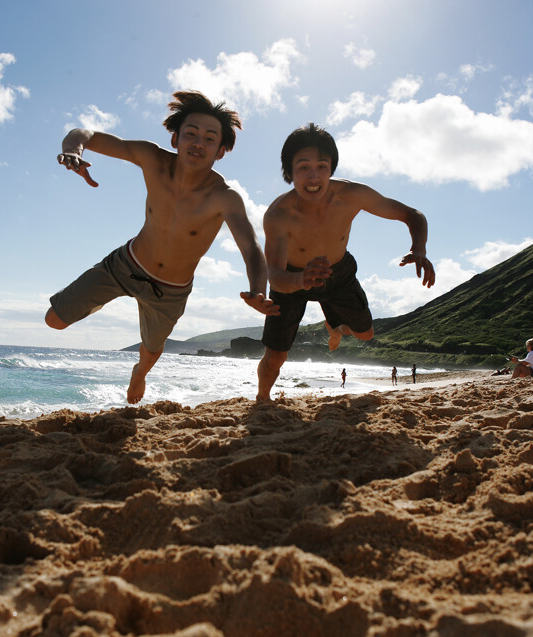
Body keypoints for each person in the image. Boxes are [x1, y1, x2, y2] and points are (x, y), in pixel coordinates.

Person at [46, 90, 278, 403]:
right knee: (53, 320)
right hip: (125, 265)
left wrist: (256, 291)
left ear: (221, 151)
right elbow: (84, 134)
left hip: (170, 291)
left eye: (210, 139)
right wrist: (74, 149)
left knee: (152, 350)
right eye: (190, 134)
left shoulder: (224, 197)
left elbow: (251, 249)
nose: (198, 142)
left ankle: (139, 373)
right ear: (175, 140)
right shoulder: (152, 158)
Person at [256, 123, 435, 400]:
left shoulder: (351, 195)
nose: (313, 176)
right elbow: (276, 275)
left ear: (332, 169)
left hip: (337, 272)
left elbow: (412, 214)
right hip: (292, 278)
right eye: (303, 167)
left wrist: (419, 248)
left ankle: (335, 326)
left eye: (322, 167)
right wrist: (301, 279)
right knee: (276, 354)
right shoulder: (278, 215)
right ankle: (262, 399)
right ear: (289, 171)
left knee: (365, 334)